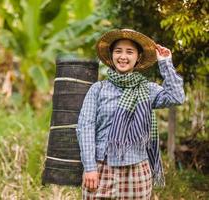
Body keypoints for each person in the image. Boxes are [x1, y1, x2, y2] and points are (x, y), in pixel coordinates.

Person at [76, 29, 185, 199]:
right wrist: (90, 167)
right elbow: (85, 128)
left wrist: (165, 63)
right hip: (101, 168)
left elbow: (176, 97)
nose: (123, 57)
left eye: (129, 52)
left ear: (138, 57)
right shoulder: (98, 89)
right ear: (111, 55)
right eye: (118, 51)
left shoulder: (147, 89)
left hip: (137, 171)